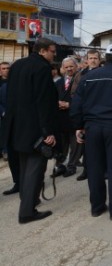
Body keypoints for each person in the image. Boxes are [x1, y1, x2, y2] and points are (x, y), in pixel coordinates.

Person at [70, 43, 112, 220]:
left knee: (95, 168)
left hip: (92, 128)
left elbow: (77, 104)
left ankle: (97, 207)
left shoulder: (89, 77)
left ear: (105, 58)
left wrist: (78, 127)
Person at [2, 38, 59, 224]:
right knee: (35, 169)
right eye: (52, 51)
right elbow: (43, 102)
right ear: (42, 51)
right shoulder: (42, 68)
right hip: (35, 129)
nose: (54, 54)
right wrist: (47, 131)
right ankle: (27, 212)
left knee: (25, 167)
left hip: (17, 127)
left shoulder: (17, 65)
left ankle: (30, 199)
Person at [71, 49, 101, 182]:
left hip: (100, 113)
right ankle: (86, 170)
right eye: (91, 58)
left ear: (99, 60)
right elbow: (74, 93)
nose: (93, 60)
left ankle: (103, 170)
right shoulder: (80, 75)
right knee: (86, 145)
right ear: (86, 60)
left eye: (95, 58)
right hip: (86, 113)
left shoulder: (103, 73)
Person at [54, 57, 82, 178]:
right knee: (61, 145)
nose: (69, 69)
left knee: (75, 144)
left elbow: (83, 99)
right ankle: (60, 166)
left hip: (74, 118)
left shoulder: (80, 81)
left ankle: (72, 166)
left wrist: (69, 104)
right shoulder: (58, 83)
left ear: (76, 67)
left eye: (71, 66)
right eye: (66, 67)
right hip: (60, 119)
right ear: (63, 68)